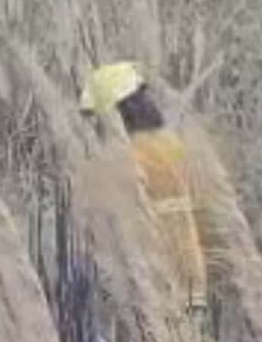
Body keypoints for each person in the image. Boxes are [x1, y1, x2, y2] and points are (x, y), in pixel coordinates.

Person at [79, 61, 208, 317]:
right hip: (190, 272)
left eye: (95, 118)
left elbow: (94, 218)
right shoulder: (171, 144)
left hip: (151, 281)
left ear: (113, 113)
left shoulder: (122, 159)